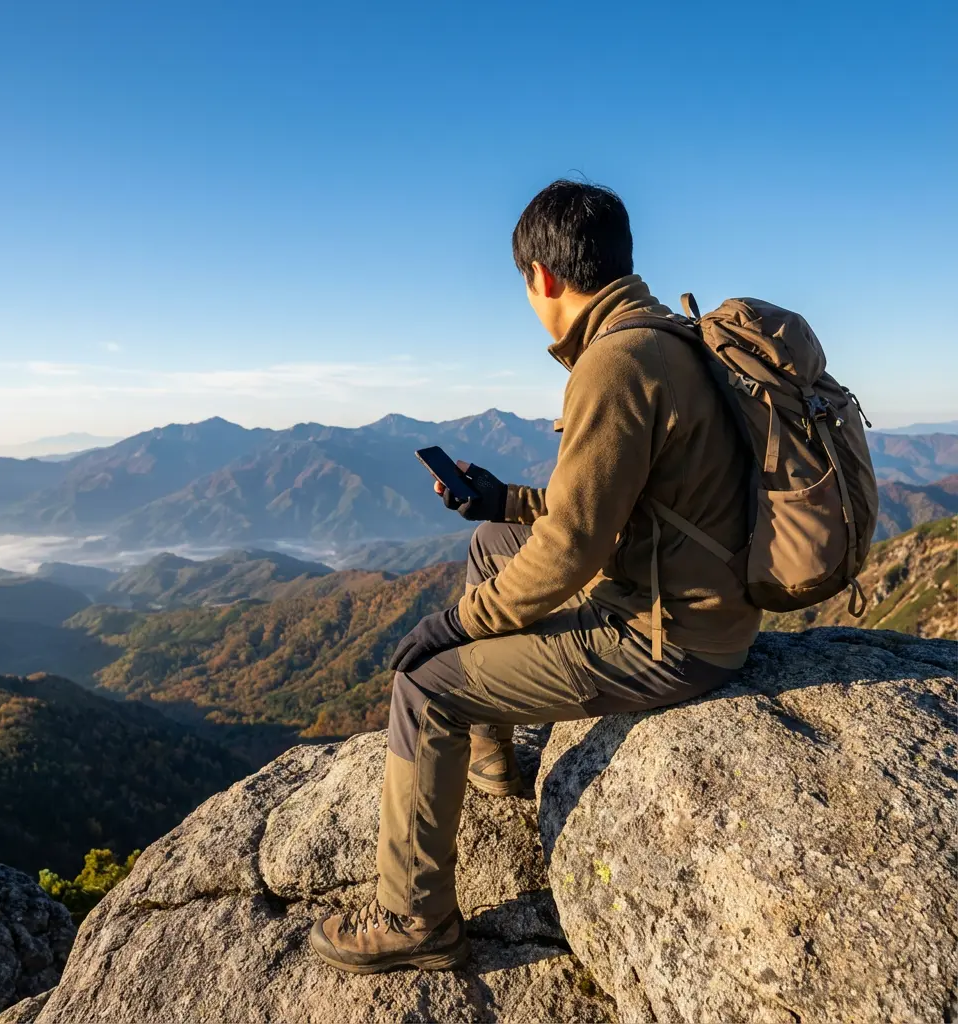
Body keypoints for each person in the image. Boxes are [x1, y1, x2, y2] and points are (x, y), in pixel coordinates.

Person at [309, 179, 761, 974]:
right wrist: (507, 502)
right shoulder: (661, 338)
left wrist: (453, 626)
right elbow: (611, 503)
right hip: (693, 597)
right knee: (493, 541)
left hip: (669, 636)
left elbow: (571, 551)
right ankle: (491, 759)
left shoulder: (614, 364)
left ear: (542, 277)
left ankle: (414, 920)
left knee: (425, 686)